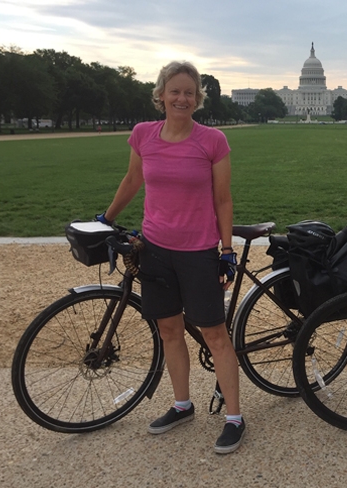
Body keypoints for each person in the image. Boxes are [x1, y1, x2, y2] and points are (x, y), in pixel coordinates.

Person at [95, 61, 245, 454]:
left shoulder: (212, 140)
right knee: (169, 332)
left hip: (197, 251)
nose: (182, 98)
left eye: (189, 93)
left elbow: (223, 198)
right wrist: (106, 219)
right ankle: (182, 404)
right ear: (160, 94)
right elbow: (132, 181)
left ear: (198, 99)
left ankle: (234, 417)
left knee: (215, 334)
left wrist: (226, 250)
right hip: (156, 249)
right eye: (175, 91)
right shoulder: (143, 134)